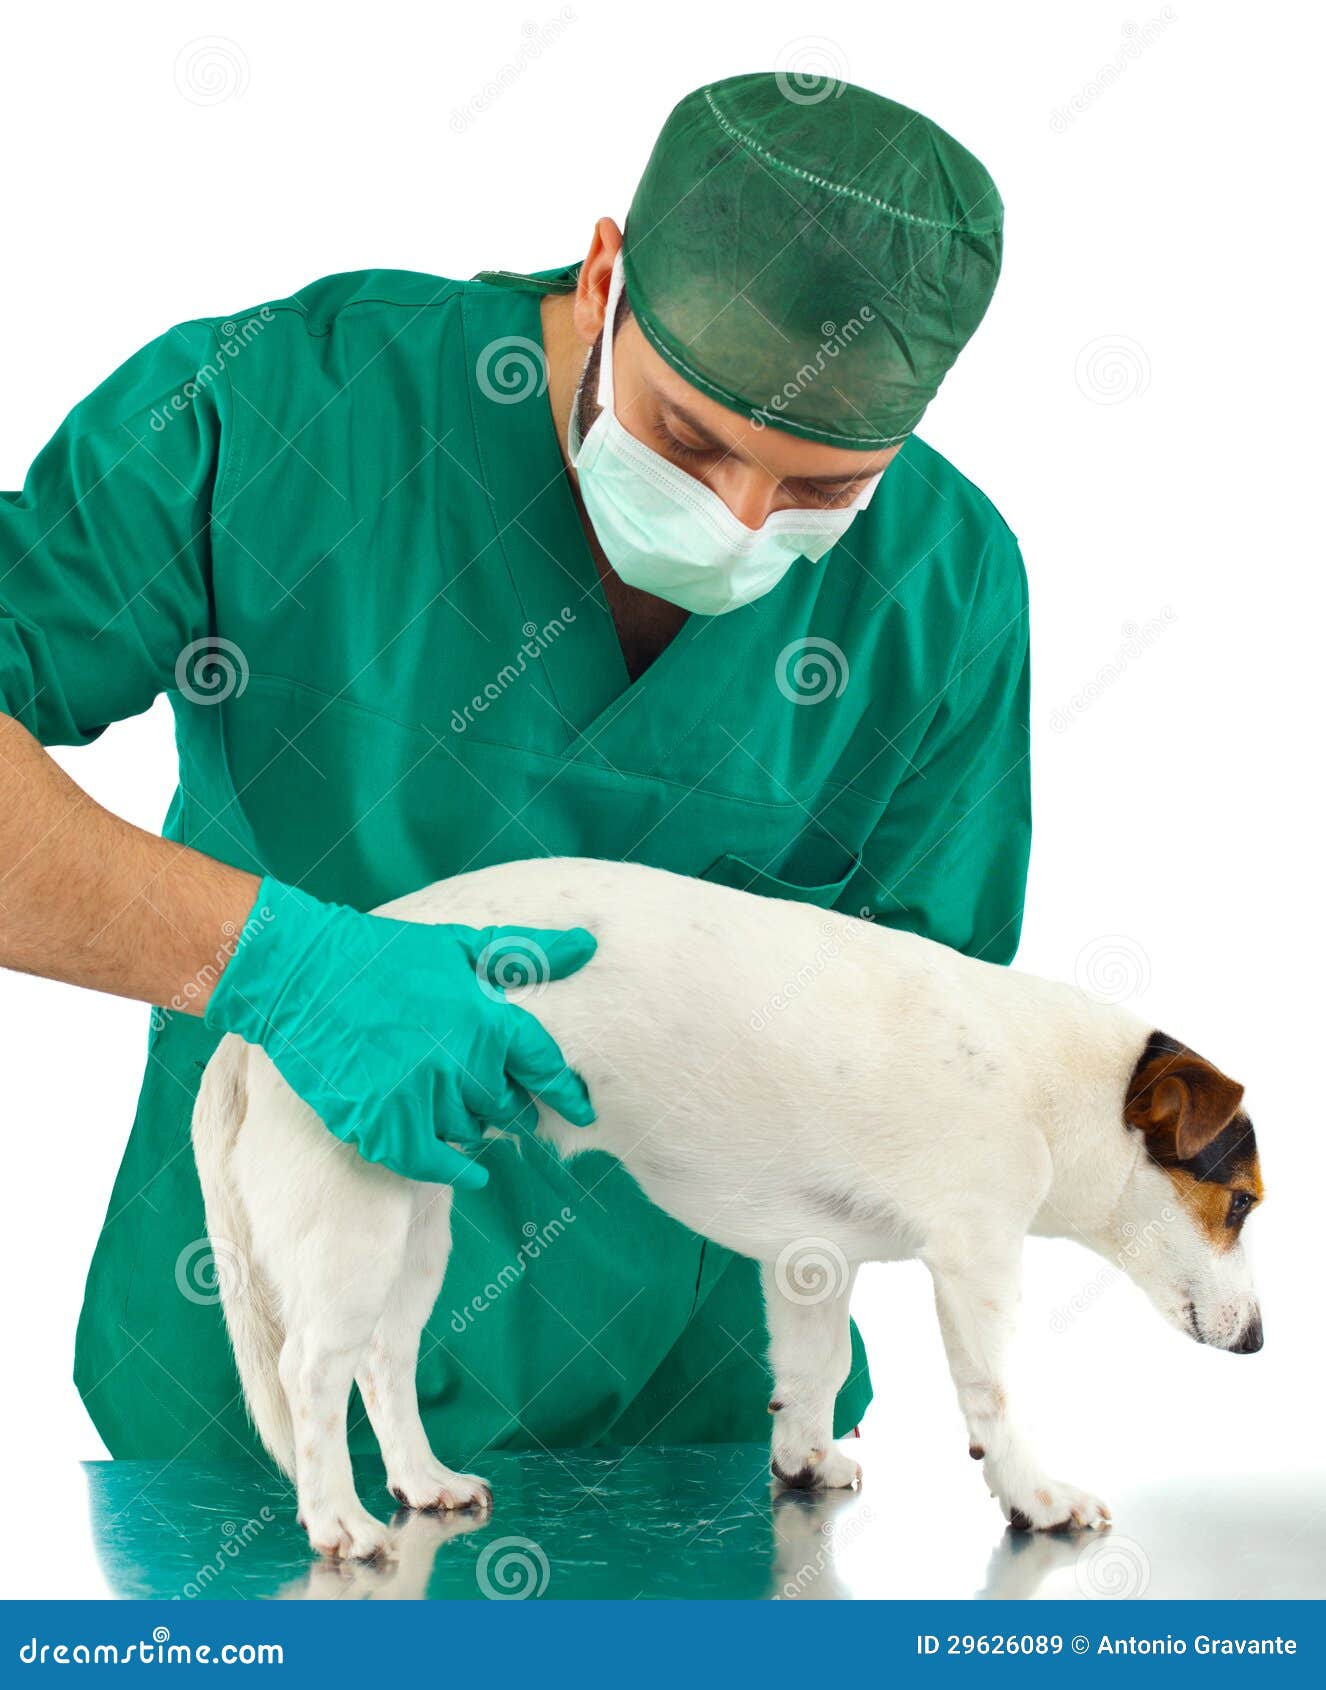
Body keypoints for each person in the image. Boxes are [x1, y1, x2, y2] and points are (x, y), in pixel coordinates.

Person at [0, 73, 1029, 1464]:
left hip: (704, 1437)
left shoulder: (940, 590)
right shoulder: (279, 416)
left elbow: (930, 1040)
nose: (733, 523)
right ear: (605, 273)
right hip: (263, 1417)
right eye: (689, 437)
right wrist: (273, 965)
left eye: (817, 487)